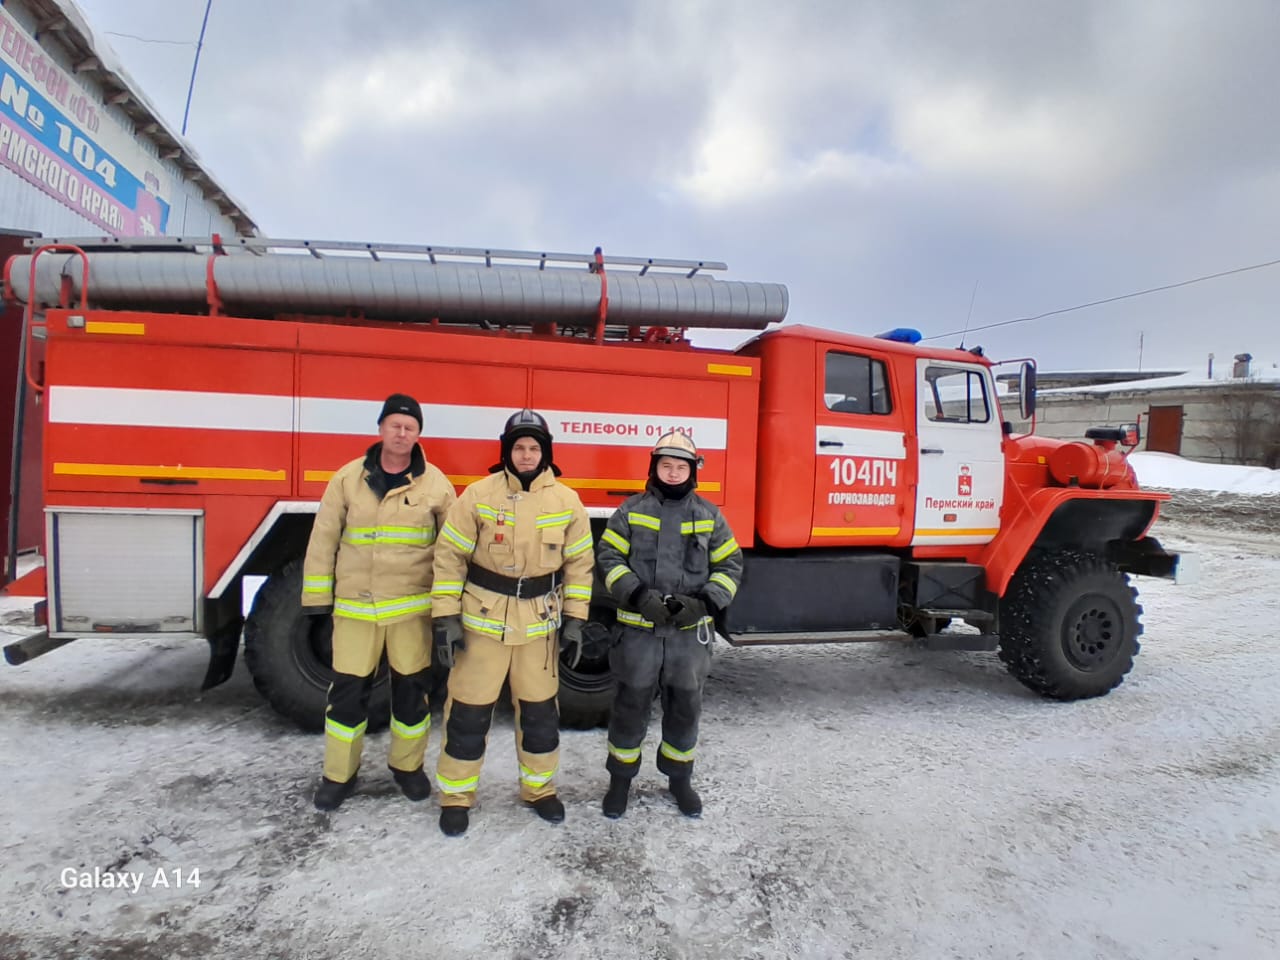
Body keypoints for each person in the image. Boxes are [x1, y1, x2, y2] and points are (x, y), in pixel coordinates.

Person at [431, 409, 594, 836]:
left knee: (541, 715)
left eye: (534, 448)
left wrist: (575, 620)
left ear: (546, 453)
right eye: (519, 447)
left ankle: (539, 790)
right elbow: (449, 558)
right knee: (468, 713)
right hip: (482, 623)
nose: (526, 455)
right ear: (507, 450)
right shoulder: (478, 495)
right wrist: (445, 615)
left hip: (540, 626)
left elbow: (580, 566)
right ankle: (456, 795)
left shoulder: (566, 501)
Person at [301, 393, 457, 811]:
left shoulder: (437, 485)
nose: (402, 433)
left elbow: (452, 552)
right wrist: (316, 598)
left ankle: (407, 769)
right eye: (394, 425)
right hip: (356, 610)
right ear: (380, 429)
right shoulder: (347, 479)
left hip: (411, 612)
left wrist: (447, 609)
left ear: (419, 434)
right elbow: (324, 538)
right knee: (346, 697)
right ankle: (338, 775)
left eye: (410, 427)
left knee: (412, 697)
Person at [595, 430, 743, 819]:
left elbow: (730, 566)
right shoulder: (630, 510)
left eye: (681, 466)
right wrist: (638, 595)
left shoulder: (710, 516)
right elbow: (608, 558)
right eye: (666, 465)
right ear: (654, 468)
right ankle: (620, 783)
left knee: (685, 708)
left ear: (692, 471)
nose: (673, 472)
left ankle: (679, 781)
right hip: (637, 634)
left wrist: (704, 603)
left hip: (687, 638)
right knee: (630, 707)